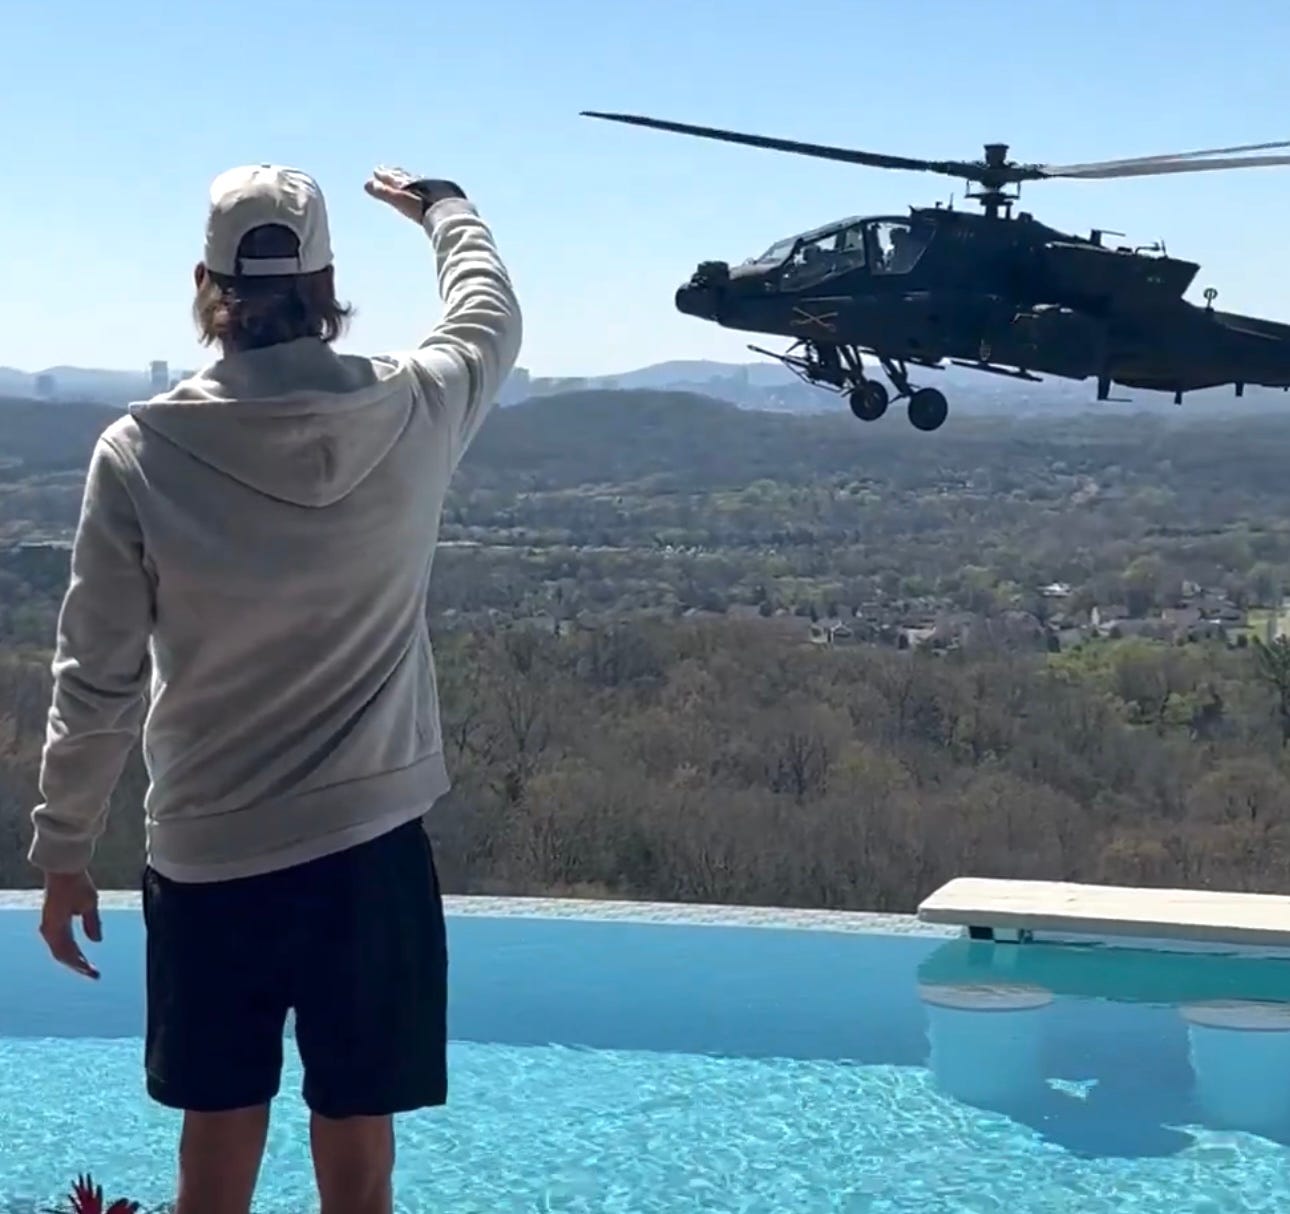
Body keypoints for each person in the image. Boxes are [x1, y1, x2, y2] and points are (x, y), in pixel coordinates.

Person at [28, 162, 522, 1214]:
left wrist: (65, 846)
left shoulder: (141, 452)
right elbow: (488, 315)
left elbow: (98, 678)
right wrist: (447, 212)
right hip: (371, 845)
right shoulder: (415, 407)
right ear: (328, 284)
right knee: (360, 1157)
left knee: (215, 1150)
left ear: (204, 286)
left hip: (210, 855)